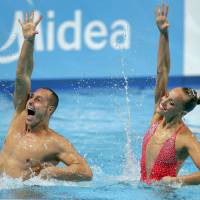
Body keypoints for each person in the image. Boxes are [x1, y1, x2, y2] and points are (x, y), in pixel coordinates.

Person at [0, 12, 92, 181]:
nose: (31, 101)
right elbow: (22, 75)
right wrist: (28, 41)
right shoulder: (20, 114)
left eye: (38, 99)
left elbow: (86, 172)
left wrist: (53, 173)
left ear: (49, 110)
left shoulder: (55, 143)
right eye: (32, 97)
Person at [140, 4, 200, 185]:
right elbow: (162, 71)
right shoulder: (158, 116)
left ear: (183, 113)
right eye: (167, 97)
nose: (164, 102)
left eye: (172, 103)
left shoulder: (185, 138)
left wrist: (178, 180)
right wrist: (163, 34)